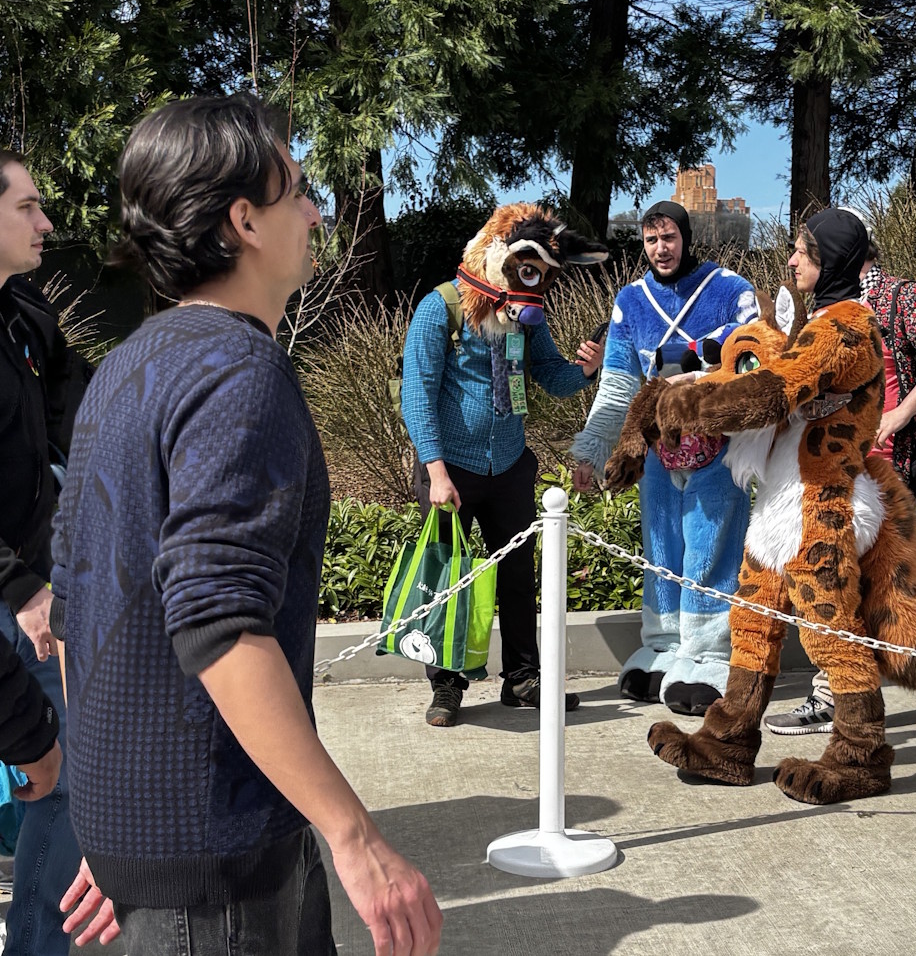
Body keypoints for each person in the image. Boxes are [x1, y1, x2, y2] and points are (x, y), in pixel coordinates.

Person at [54, 94, 441, 954]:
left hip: (155, 851)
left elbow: (79, 604)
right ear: (244, 221)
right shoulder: (241, 372)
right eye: (298, 189)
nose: (314, 211)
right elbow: (218, 619)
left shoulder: (123, 369)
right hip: (217, 863)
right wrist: (357, 837)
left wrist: (105, 819)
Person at [765, 211, 916, 743]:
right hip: (832, 475)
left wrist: (901, 412)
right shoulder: (815, 313)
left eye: (802, 249)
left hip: (890, 472)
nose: (791, 260)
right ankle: (834, 689)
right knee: (832, 585)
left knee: (896, 593)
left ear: (834, 255)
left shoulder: (899, 299)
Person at [400, 203, 605, 726]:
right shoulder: (439, 309)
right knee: (445, 582)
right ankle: (446, 686)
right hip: (452, 471)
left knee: (517, 577)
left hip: (510, 464)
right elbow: (416, 396)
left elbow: (552, 378)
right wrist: (437, 473)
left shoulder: (525, 317)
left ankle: (522, 678)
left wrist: (588, 370)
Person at [570, 200, 758, 715]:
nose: (661, 248)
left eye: (669, 237)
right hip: (656, 454)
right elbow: (616, 386)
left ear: (686, 237)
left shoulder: (730, 290)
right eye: (651, 239)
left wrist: (696, 372)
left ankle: (710, 653)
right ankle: (663, 645)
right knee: (661, 549)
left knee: (711, 548)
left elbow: (756, 359)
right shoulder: (630, 301)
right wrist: (591, 450)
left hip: (717, 452)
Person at [0, 148, 84, 955]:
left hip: (30, 581)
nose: (45, 221)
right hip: (16, 595)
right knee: (50, 767)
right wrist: (24, 587)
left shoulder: (23, 310)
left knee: (53, 773)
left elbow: (70, 394)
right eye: (26, 205)